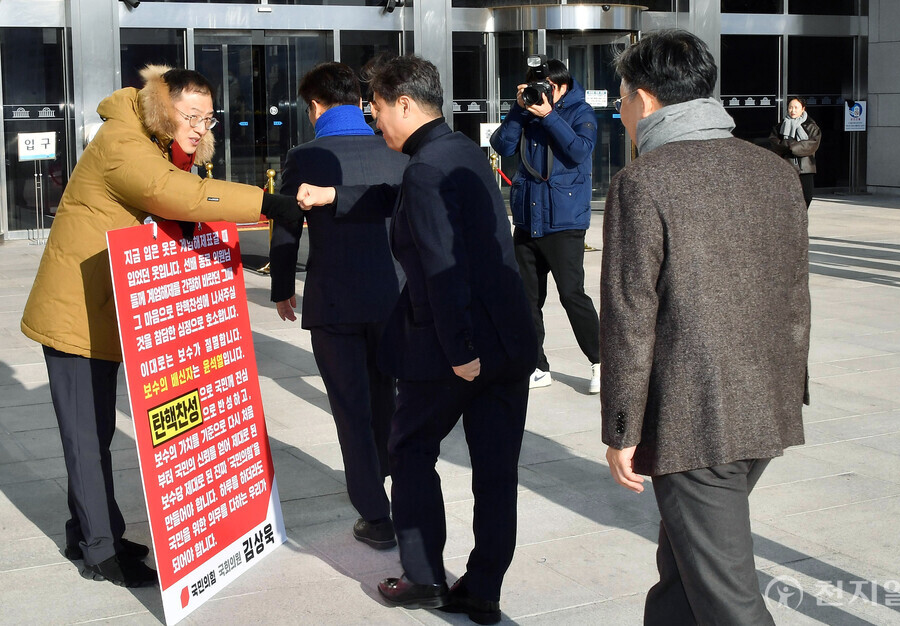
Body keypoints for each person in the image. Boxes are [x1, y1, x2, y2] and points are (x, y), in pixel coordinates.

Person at [20, 66, 303, 588]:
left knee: (94, 432)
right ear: (160, 107)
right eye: (188, 116)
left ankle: (85, 530)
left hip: (106, 308)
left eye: (207, 117)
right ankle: (101, 552)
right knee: (88, 437)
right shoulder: (123, 140)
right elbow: (172, 194)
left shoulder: (156, 144)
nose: (198, 127)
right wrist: (268, 203)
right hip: (78, 313)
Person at [296, 54, 537, 625]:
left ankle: (424, 576)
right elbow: (399, 198)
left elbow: (442, 267)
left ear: (404, 104)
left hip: (455, 350)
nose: (376, 124)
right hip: (509, 340)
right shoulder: (454, 153)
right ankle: (481, 590)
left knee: (407, 450)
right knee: (496, 471)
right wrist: (335, 198)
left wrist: (460, 354)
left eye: (378, 111)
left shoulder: (425, 169)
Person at [601, 30, 810, 625]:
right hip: (764, 405)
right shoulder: (774, 172)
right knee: (685, 573)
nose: (620, 115)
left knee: (728, 599)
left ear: (644, 99)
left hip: (696, 419)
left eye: (621, 101)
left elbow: (630, 316)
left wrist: (622, 428)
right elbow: (795, 294)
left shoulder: (644, 180)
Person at [270, 62, 408, 549]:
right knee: (385, 394)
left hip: (334, 301)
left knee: (349, 406)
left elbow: (287, 224)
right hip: (392, 297)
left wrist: (282, 285)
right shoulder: (395, 148)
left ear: (315, 106)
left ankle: (375, 513)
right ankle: (389, 474)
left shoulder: (305, 155)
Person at [489, 58, 600, 393]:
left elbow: (579, 151)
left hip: (564, 220)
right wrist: (518, 110)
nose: (540, 92)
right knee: (526, 298)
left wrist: (549, 115)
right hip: (526, 219)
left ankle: (601, 363)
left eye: (546, 86)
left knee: (572, 295)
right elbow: (501, 145)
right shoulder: (526, 112)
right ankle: (536, 366)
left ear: (561, 85)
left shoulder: (581, 112)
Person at [769, 96, 821, 207]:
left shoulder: (811, 126)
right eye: (790, 107)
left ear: (803, 109)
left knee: (807, 196)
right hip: (786, 166)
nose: (793, 110)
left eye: (796, 107)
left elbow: (812, 144)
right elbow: (774, 142)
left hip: (806, 167)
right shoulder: (780, 126)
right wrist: (788, 145)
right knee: (787, 197)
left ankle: (801, 218)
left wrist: (792, 147)